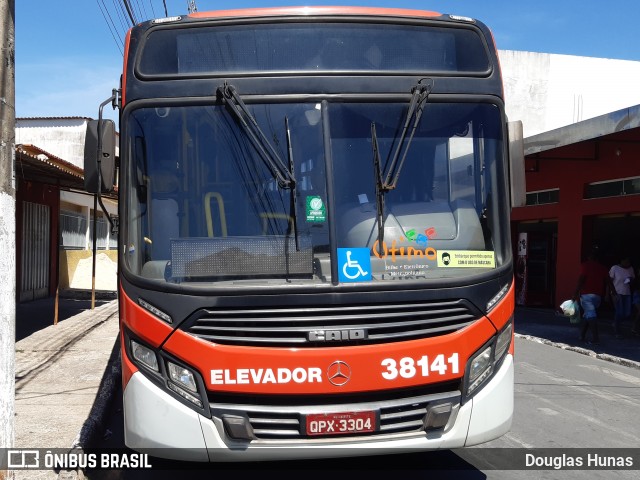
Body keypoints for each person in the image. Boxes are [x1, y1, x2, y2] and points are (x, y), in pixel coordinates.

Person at [572, 247, 609, 344]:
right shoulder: (603, 268)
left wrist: (575, 294)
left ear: (589, 257)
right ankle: (582, 335)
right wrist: (612, 293)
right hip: (598, 296)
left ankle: (595, 339)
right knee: (588, 315)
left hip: (586, 295)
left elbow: (581, 280)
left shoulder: (585, 265)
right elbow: (608, 281)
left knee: (591, 316)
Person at [608, 256, 635, 337]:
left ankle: (616, 323)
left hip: (627, 293)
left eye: (629, 262)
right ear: (621, 261)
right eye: (626, 262)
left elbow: (633, 280)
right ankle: (617, 331)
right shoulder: (615, 268)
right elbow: (609, 281)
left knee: (627, 313)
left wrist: (630, 280)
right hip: (616, 292)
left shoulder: (630, 269)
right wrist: (608, 293)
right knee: (619, 312)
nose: (628, 264)